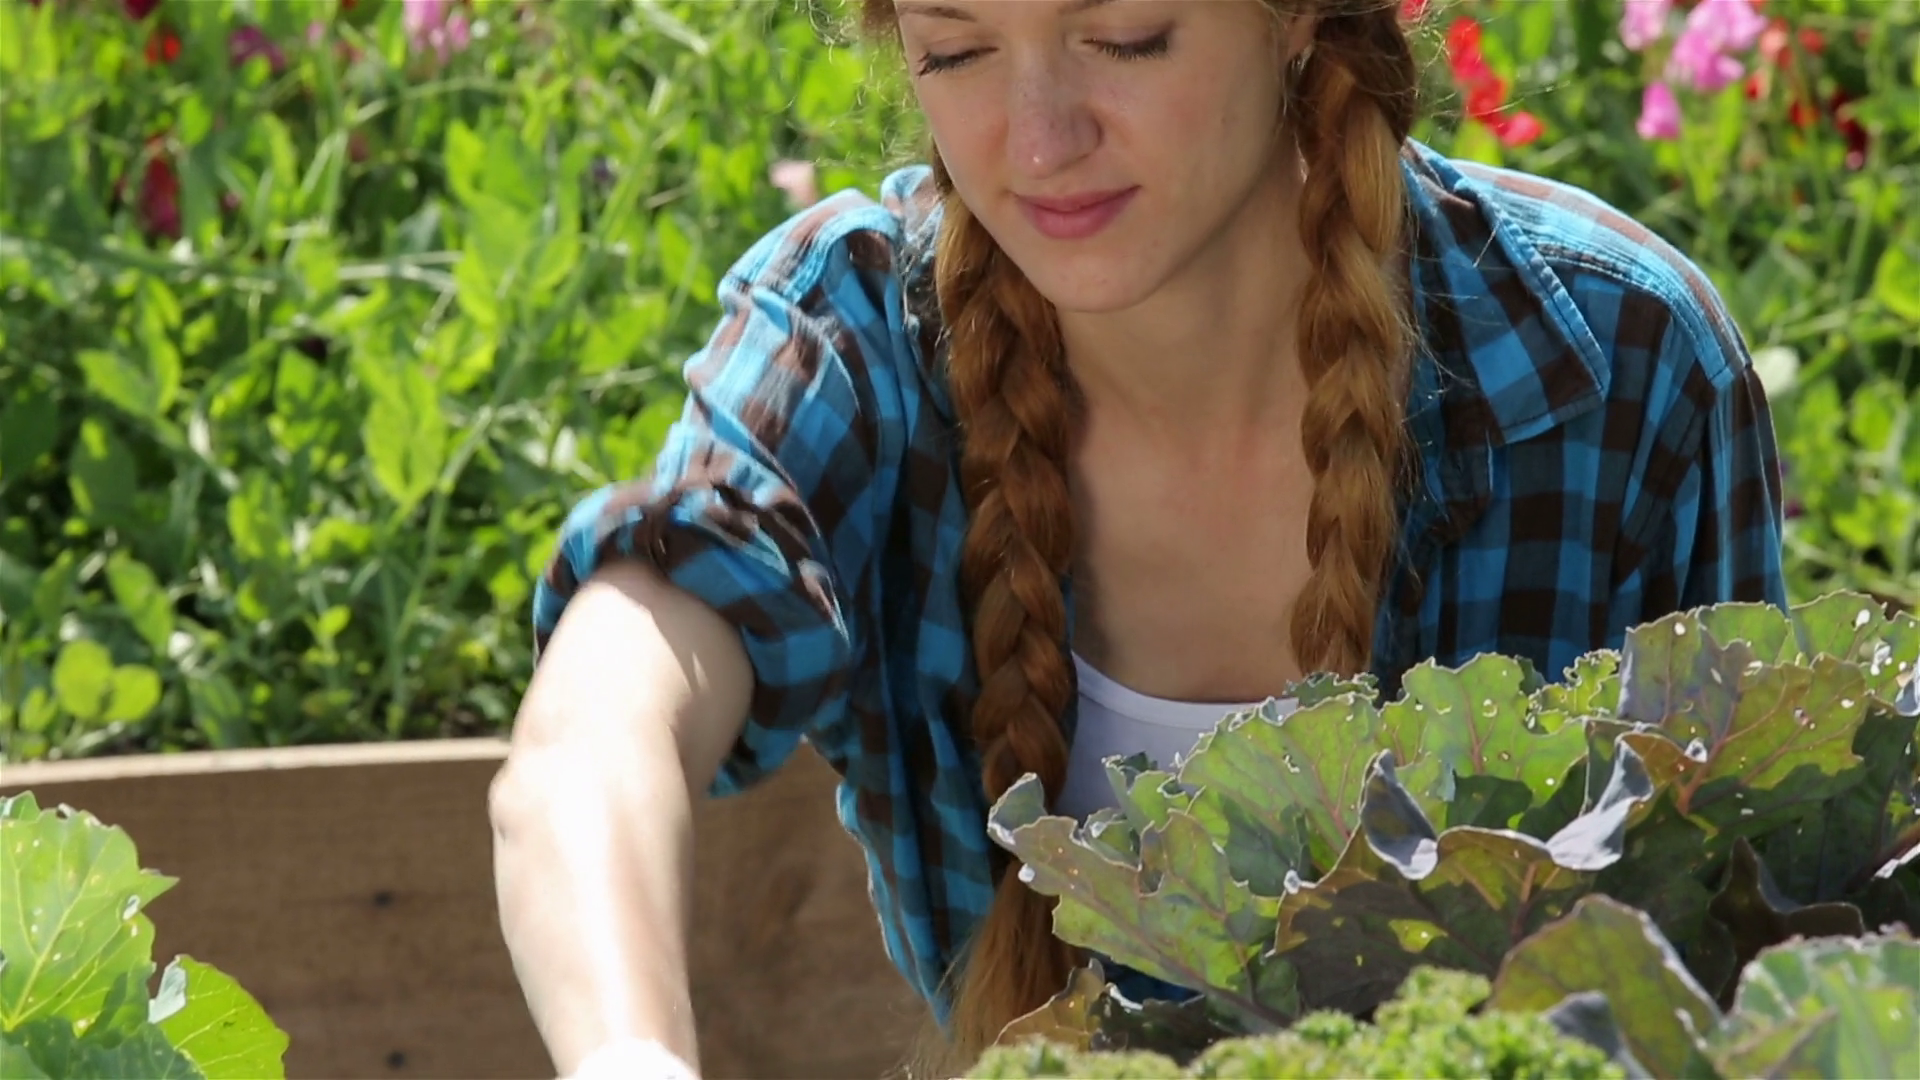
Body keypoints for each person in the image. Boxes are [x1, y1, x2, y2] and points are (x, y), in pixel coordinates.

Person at [487, 0, 1789, 1077]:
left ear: (1296, 19)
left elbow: (1756, 941)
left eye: (1124, 37)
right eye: (956, 50)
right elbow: (598, 733)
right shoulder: (861, 335)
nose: (1040, 140)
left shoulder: (1611, 366)